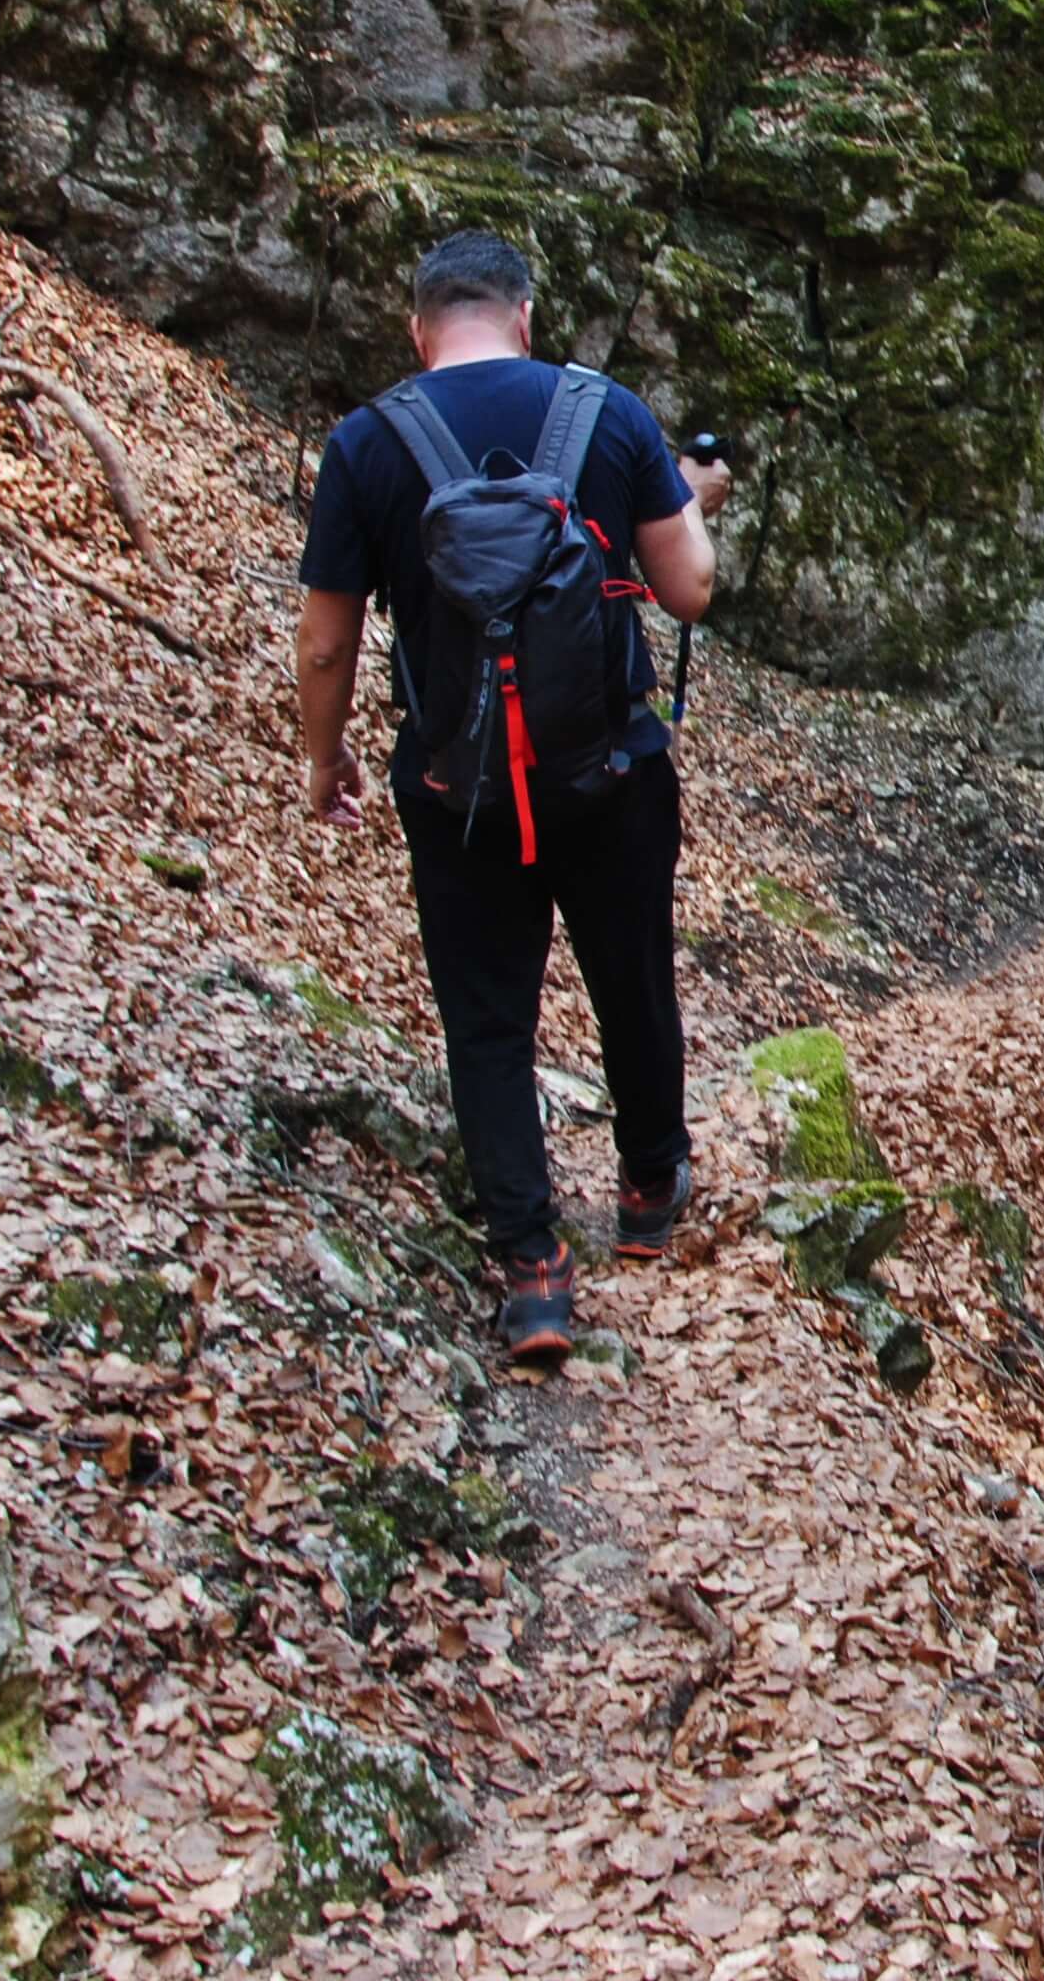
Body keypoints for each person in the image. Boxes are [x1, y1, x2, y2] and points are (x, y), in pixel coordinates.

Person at [294, 231, 734, 1364]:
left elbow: (327, 645)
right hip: (610, 770)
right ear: (526, 318)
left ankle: (533, 1270)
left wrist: (323, 760)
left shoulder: (365, 443)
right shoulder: (607, 413)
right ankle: (645, 1192)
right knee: (628, 973)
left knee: (486, 1017)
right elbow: (687, 591)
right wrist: (689, 502)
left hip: (457, 787)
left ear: (417, 327)